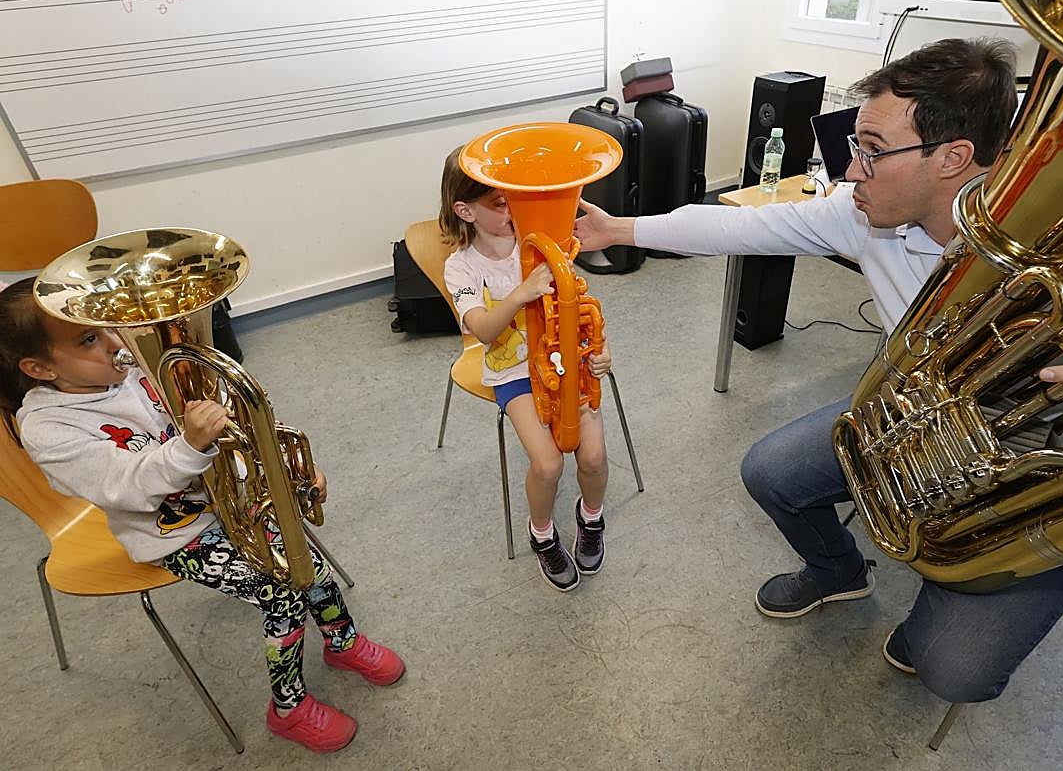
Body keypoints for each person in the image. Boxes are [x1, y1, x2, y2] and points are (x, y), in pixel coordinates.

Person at [573, 37, 1063, 704]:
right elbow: (743, 228)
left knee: (952, 671)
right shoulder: (860, 213)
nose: (849, 170)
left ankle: (944, 603)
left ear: (953, 157)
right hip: (919, 416)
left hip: (1044, 470)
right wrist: (620, 230)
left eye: (871, 148)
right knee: (769, 472)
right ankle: (839, 570)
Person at [0, 278, 405, 753]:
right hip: (172, 534)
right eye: (89, 339)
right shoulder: (49, 429)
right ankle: (288, 708)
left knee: (308, 566)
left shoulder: (136, 367)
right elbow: (126, 486)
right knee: (281, 593)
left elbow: (235, 423)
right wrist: (190, 444)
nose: (116, 341)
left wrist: (289, 468)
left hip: (230, 499)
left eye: (105, 324)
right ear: (40, 368)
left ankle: (342, 641)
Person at [439, 146, 612, 593]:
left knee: (592, 456)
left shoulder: (541, 240)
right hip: (511, 370)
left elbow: (577, 312)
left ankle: (590, 518)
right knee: (549, 462)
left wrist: (598, 352)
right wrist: (520, 293)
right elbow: (482, 332)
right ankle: (542, 534)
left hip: (566, 360)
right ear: (465, 210)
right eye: (500, 204)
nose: (514, 210)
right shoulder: (461, 267)